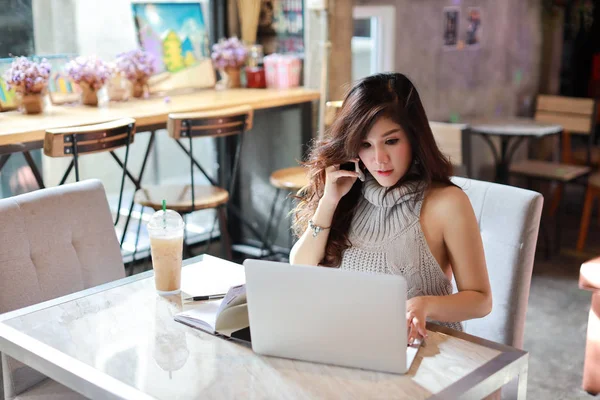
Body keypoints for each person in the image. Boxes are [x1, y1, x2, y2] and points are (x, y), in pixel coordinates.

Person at [290, 73, 491, 344]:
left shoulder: (447, 203)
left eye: (391, 141)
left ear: (414, 137)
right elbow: (300, 266)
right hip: (352, 341)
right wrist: (329, 202)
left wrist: (425, 305)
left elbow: (481, 300)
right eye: (365, 144)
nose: (379, 159)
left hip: (427, 352)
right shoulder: (349, 192)